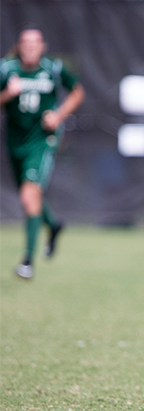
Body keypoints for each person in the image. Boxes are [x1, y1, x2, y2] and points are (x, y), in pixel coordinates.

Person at [0, 26, 84, 280]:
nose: (30, 47)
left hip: (42, 140)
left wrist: (58, 116)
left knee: (28, 195)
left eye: (35, 42)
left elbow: (77, 91)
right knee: (30, 195)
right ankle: (54, 225)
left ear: (42, 46)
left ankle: (27, 261)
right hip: (16, 141)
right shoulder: (6, 70)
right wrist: (7, 94)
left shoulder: (53, 69)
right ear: (19, 46)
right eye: (26, 42)